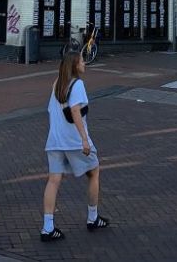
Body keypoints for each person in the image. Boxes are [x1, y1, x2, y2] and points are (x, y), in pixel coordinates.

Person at [40, 51, 109, 242]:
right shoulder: (77, 84)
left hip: (54, 141)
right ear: (74, 65)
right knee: (94, 172)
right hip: (73, 141)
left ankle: (47, 227)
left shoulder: (56, 84)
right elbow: (75, 110)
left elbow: (51, 110)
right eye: (81, 60)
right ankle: (92, 217)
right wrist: (84, 139)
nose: (84, 63)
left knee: (54, 180)